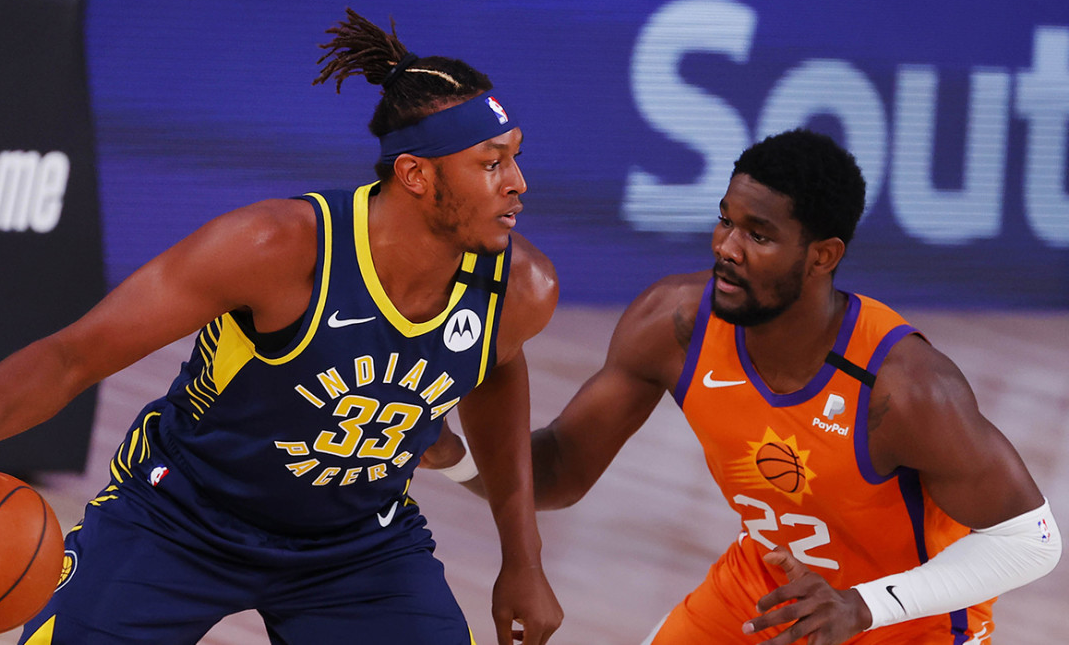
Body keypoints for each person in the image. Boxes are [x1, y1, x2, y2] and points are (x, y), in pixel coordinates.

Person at [0, 8, 563, 645]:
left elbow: (495, 370)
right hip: (180, 517)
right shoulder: (274, 249)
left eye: (516, 155)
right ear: (415, 175)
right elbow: (73, 356)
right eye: (491, 163)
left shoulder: (521, 289)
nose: (518, 183)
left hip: (357, 546)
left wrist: (523, 558)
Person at [424, 129, 1062, 644]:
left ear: (823, 256)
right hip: (764, 590)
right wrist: (450, 454)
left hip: (907, 622)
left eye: (758, 235)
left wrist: (861, 608)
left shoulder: (902, 388)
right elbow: (558, 469)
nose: (727, 248)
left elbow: (1030, 541)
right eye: (726, 221)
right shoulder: (674, 326)